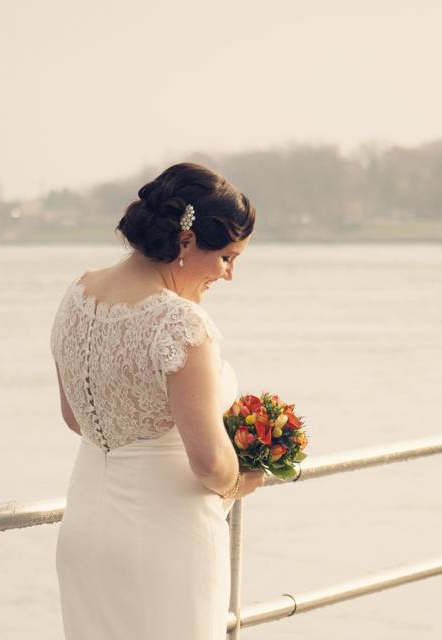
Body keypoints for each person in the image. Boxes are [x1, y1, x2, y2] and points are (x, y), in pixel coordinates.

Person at [50, 162, 266, 639]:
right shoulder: (180, 323)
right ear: (186, 242)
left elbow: (73, 417)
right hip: (167, 539)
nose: (229, 275)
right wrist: (244, 478)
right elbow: (210, 463)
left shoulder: (79, 292)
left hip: (85, 530)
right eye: (227, 257)